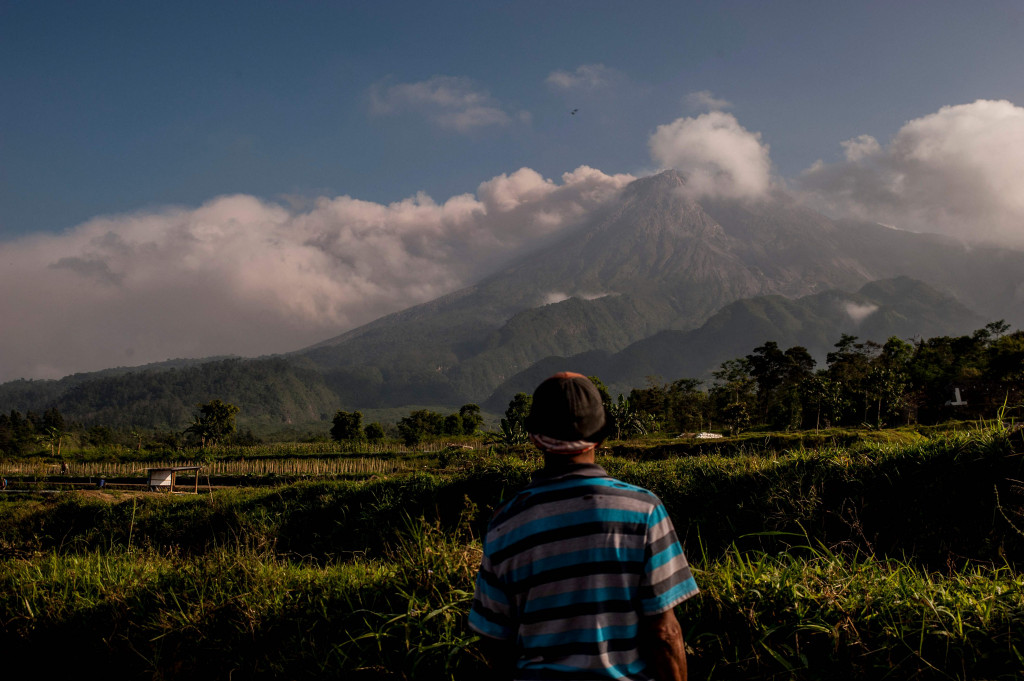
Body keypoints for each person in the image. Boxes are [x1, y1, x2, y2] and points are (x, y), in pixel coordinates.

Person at [469, 372, 698, 680]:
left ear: (534, 437)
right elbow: (664, 633)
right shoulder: (644, 510)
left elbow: (495, 640)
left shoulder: (506, 522)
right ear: (602, 435)